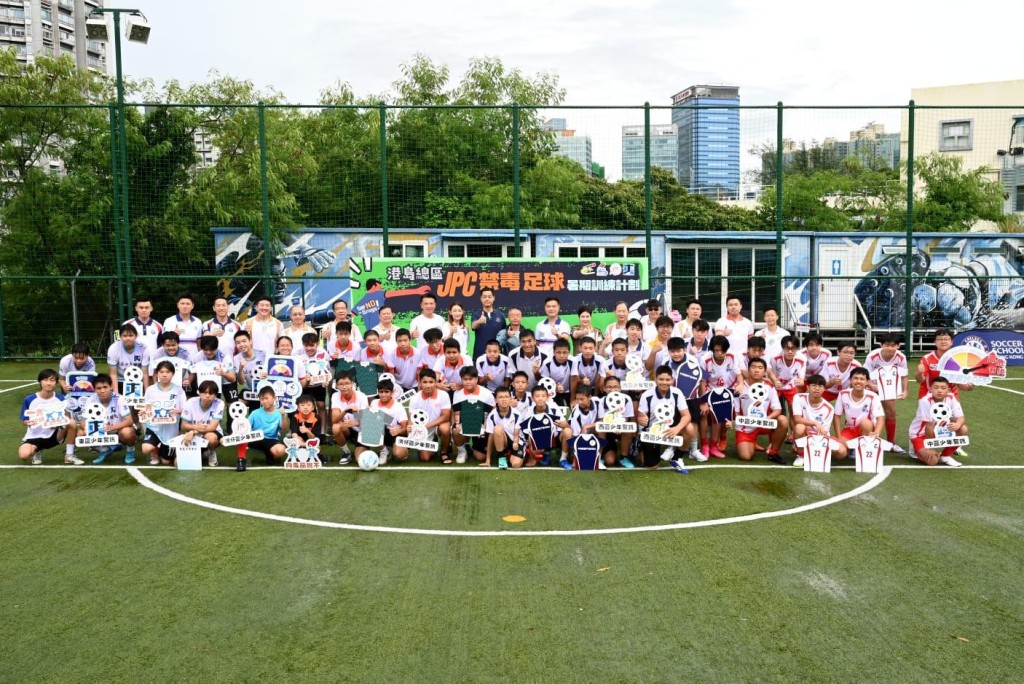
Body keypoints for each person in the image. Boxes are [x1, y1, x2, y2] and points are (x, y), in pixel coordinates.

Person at [731, 358, 788, 464]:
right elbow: (737, 412)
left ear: (765, 371)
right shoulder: (739, 387)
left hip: (764, 423)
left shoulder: (770, 387)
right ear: (748, 370)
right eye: (753, 367)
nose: (756, 370)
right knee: (746, 457)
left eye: (760, 368)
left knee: (783, 420)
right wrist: (735, 422)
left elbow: (778, 409)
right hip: (746, 427)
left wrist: (767, 419)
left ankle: (773, 452)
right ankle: (750, 442)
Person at [19, 368, 82, 465]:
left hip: (54, 435)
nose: (48, 383)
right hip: (34, 436)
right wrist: (27, 422)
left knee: (72, 422)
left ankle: (69, 455)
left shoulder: (60, 399)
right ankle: (37, 450)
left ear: (56, 383)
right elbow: (24, 420)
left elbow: (67, 417)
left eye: (52, 380)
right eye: (45, 380)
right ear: (40, 382)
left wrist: (58, 422)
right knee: (24, 455)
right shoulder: (29, 399)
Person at [637, 365, 694, 472]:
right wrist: (641, 419)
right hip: (651, 431)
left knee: (689, 428)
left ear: (672, 380)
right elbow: (640, 416)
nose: (664, 382)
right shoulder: (646, 395)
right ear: (655, 379)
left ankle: (677, 457)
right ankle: (639, 445)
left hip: (670, 429)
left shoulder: (677, 393)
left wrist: (677, 428)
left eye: (667, 379)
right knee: (651, 468)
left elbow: (687, 416)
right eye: (661, 379)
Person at [700, 334, 744, 459]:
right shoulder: (705, 359)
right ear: (712, 349)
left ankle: (714, 445)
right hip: (710, 390)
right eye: (716, 350)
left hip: (727, 391)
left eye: (722, 350)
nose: (719, 353)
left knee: (722, 415)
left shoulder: (732, 356)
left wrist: (741, 384)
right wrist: (703, 401)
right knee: (703, 414)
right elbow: (702, 382)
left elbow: (738, 374)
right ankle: (704, 446)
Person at [864, 333, 909, 454]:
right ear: (881, 345)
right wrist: (871, 386)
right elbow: (865, 375)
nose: (889, 348)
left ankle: (891, 443)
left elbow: (904, 375)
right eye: (887, 345)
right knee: (865, 413)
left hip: (888, 388)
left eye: (893, 345)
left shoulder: (901, 357)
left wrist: (905, 391)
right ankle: (865, 441)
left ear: (898, 346)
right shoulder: (873, 356)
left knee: (891, 412)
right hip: (871, 386)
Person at [909, 376, 967, 467]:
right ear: (930, 389)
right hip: (920, 434)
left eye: (943, 388)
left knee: (963, 429)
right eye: (936, 387)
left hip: (939, 430)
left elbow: (961, 417)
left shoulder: (951, 397)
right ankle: (915, 448)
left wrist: (958, 424)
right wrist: (931, 447)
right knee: (932, 462)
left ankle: (945, 456)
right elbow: (929, 425)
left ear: (948, 389)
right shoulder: (925, 401)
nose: (939, 390)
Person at [790, 373, 846, 468]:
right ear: (807, 387)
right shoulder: (799, 397)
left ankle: (820, 452)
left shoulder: (829, 408)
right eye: (814, 385)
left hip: (819, 437)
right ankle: (801, 455)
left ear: (824, 389)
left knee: (842, 452)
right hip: (804, 434)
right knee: (799, 427)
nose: (817, 388)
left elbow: (823, 432)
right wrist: (815, 423)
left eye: (820, 386)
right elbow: (797, 419)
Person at [511, 384, 571, 469]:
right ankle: (542, 455)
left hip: (554, 438)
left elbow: (566, 425)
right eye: (537, 396)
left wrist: (561, 424)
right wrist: (515, 441)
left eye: (543, 396)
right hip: (539, 439)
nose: (540, 398)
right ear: (532, 398)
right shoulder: (528, 411)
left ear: (547, 397)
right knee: (531, 438)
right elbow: (518, 427)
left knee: (567, 431)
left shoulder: (553, 407)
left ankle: (563, 459)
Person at [81, 373, 137, 464]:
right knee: (81, 433)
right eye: (99, 388)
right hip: (102, 431)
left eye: (105, 387)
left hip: (119, 430)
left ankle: (130, 450)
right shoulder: (91, 400)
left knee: (127, 433)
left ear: (111, 387)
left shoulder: (119, 399)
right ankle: (104, 450)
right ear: (94, 389)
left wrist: (112, 427)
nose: (102, 391)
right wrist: (88, 429)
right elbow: (83, 422)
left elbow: (129, 421)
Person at [141, 360, 186, 466]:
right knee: (145, 448)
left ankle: (168, 450)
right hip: (154, 427)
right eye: (161, 372)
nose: (164, 375)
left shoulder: (179, 390)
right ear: (157, 374)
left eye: (167, 372)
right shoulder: (150, 390)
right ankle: (154, 452)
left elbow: (185, 410)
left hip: (171, 429)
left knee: (166, 462)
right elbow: (145, 407)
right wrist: (144, 412)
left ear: (173, 374)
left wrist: (177, 411)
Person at [359, 378, 409, 464]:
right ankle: (384, 451)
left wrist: (398, 431)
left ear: (392, 393)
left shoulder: (398, 407)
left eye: (386, 392)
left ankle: (403, 449)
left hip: (395, 434)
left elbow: (406, 430)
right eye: (381, 392)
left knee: (399, 455)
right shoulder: (374, 403)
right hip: (381, 432)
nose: (383, 395)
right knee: (369, 420)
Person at [408, 369, 453, 463]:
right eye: (424, 382)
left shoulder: (443, 395)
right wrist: (411, 428)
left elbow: (446, 416)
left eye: (431, 382)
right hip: (423, 430)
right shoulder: (415, 398)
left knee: (445, 428)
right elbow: (411, 418)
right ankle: (432, 444)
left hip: (437, 426)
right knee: (425, 458)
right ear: (420, 383)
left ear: (436, 382)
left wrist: (428, 425)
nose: (428, 385)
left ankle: (444, 452)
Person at [452, 367, 495, 465]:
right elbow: (457, 412)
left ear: (476, 379)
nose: (467, 382)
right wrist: (457, 424)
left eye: (470, 379)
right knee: (455, 429)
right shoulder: (457, 393)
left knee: (480, 457)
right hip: (465, 423)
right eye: (465, 379)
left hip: (481, 426)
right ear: (461, 380)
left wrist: (485, 428)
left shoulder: (487, 394)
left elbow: (492, 413)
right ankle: (462, 451)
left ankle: (473, 447)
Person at [240, 385, 289, 469]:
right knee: (241, 436)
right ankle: (241, 459)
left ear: (274, 398)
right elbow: (246, 427)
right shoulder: (255, 413)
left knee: (281, 450)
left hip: (271, 439)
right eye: (262, 399)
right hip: (256, 438)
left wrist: (283, 415)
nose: (264, 401)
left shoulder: (279, 413)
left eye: (267, 398)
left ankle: (269, 453)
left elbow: (284, 428)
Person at [594, 375, 636, 468]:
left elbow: (627, 419)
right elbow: (601, 421)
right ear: (604, 388)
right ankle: (599, 456)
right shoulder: (601, 401)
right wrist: (613, 426)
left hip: (620, 429)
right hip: (606, 431)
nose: (613, 389)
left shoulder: (626, 399)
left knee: (628, 428)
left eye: (616, 387)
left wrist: (619, 426)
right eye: (609, 387)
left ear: (620, 388)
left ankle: (623, 457)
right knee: (610, 461)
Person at [833, 367, 884, 445]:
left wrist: (876, 433)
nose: (858, 381)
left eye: (862, 379)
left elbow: (880, 417)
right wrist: (838, 436)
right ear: (850, 380)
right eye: (855, 378)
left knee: (865, 423)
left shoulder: (873, 396)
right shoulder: (843, 394)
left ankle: (865, 445)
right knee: (840, 452)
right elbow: (837, 415)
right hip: (850, 429)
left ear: (867, 382)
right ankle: (854, 448)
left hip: (867, 428)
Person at [180, 380, 224, 467]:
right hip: (195, 433)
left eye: (211, 393)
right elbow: (184, 425)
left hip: (209, 432)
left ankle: (211, 451)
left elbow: (212, 427)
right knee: (178, 463)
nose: (207, 396)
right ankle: (204, 452)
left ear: (215, 395)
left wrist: (193, 431)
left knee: (211, 438)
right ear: (199, 392)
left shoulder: (219, 403)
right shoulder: (190, 402)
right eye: (205, 392)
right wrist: (195, 428)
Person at [330, 371, 369, 465]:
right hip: (348, 429)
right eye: (341, 384)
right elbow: (334, 420)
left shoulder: (361, 397)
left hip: (363, 431)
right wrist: (345, 410)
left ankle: (378, 449)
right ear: (337, 386)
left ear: (352, 384)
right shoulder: (335, 396)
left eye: (347, 383)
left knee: (359, 460)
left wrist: (355, 422)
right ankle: (346, 452)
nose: (344, 387)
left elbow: (368, 421)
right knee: (335, 427)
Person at [107, 323, 151, 393]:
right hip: (120, 381)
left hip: (138, 381)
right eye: (124, 336)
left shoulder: (144, 348)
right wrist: (116, 393)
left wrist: (146, 392)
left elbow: (145, 373)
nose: (128, 338)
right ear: (120, 337)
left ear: (136, 336)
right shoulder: (113, 348)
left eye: (131, 335)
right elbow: (113, 374)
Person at [485, 387, 520, 469]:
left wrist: (515, 442)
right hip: (503, 441)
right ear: (496, 400)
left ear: (510, 398)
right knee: (497, 429)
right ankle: (501, 457)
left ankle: (515, 455)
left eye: (506, 397)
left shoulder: (517, 414)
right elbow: (491, 437)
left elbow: (517, 434)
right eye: (500, 397)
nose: (504, 400)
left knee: (516, 465)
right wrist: (488, 459)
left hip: (516, 442)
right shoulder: (492, 415)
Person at [566, 384, 600, 469]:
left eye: (582, 399)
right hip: (578, 437)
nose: (579, 402)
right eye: (577, 399)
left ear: (589, 397)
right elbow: (576, 436)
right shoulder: (576, 413)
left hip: (593, 433)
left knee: (601, 429)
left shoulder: (597, 402)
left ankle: (599, 457)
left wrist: (587, 426)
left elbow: (603, 421)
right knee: (575, 461)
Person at [232, 330, 266, 410]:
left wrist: (266, 375)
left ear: (250, 341)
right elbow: (241, 382)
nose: (242, 344)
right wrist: (240, 368)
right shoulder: (237, 358)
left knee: (257, 413)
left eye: (244, 341)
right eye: (238, 343)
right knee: (236, 407)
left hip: (264, 390)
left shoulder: (263, 354)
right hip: (248, 389)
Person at [471, 287, 506, 360]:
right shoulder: (476, 314)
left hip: (496, 354)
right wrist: (479, 321)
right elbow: (473, 326)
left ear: (493, 298)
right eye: (484, 297)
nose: (487, 299)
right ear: (481, 298)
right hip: (480, 354)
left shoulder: (500, 315)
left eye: (489, 297)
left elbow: (504, 333)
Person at [203, 296, 242, 360]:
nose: (221, 308)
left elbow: (241, 344)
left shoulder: (237, 325)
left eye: (224, 305)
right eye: (218, 306)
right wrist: (213, 334)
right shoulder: (207, 324)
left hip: (232, 362)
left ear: (228, 307)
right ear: (214, 308)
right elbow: (205, 336)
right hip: (213, 362)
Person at [244, 295, 283, 360]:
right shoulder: (247, 323)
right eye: (262, 305)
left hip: (272, 359)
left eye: (267, 305)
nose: (264, 308)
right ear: (256, 307)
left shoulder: (278, 323)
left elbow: (282, 342)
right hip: (253, 360)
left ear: (271, 308)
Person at [289, 394, 322, 463]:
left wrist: (307, 431)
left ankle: (313, 457)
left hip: (310, 441)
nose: (305, 407)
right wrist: (301, 443)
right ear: (298, 408)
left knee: (317, 447)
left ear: (313, 407)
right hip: (298, 440)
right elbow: (294, 433)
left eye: (308, 405)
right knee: (293, 444)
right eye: (302, 405)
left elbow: (315, 438)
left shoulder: (317, 418)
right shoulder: (295, 416)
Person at [540, 338, 573, 407]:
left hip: (570, 390)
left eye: (565, 352)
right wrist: (555, 387)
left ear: (569, 352)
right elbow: (546, 381)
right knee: (558, 412)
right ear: (553, 352)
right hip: (553, 392)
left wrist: (573, 397)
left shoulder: (573, 361)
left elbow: (575, 378)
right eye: (558, 352)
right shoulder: (547, 363)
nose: (562, 355)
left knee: (573, 409)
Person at [570, 336, 605, 401]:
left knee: (601, 378)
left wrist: (595, 397)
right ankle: (576, 398)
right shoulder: (575, 360)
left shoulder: (600, 360)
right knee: (574, 377)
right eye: (585, 348)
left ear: (595, 349)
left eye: (590, 348)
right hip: (580, 387)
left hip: (594, 387)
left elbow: (598, 379)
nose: (588, 351)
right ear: (580, 348)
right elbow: (574, 379)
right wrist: (581, 381)